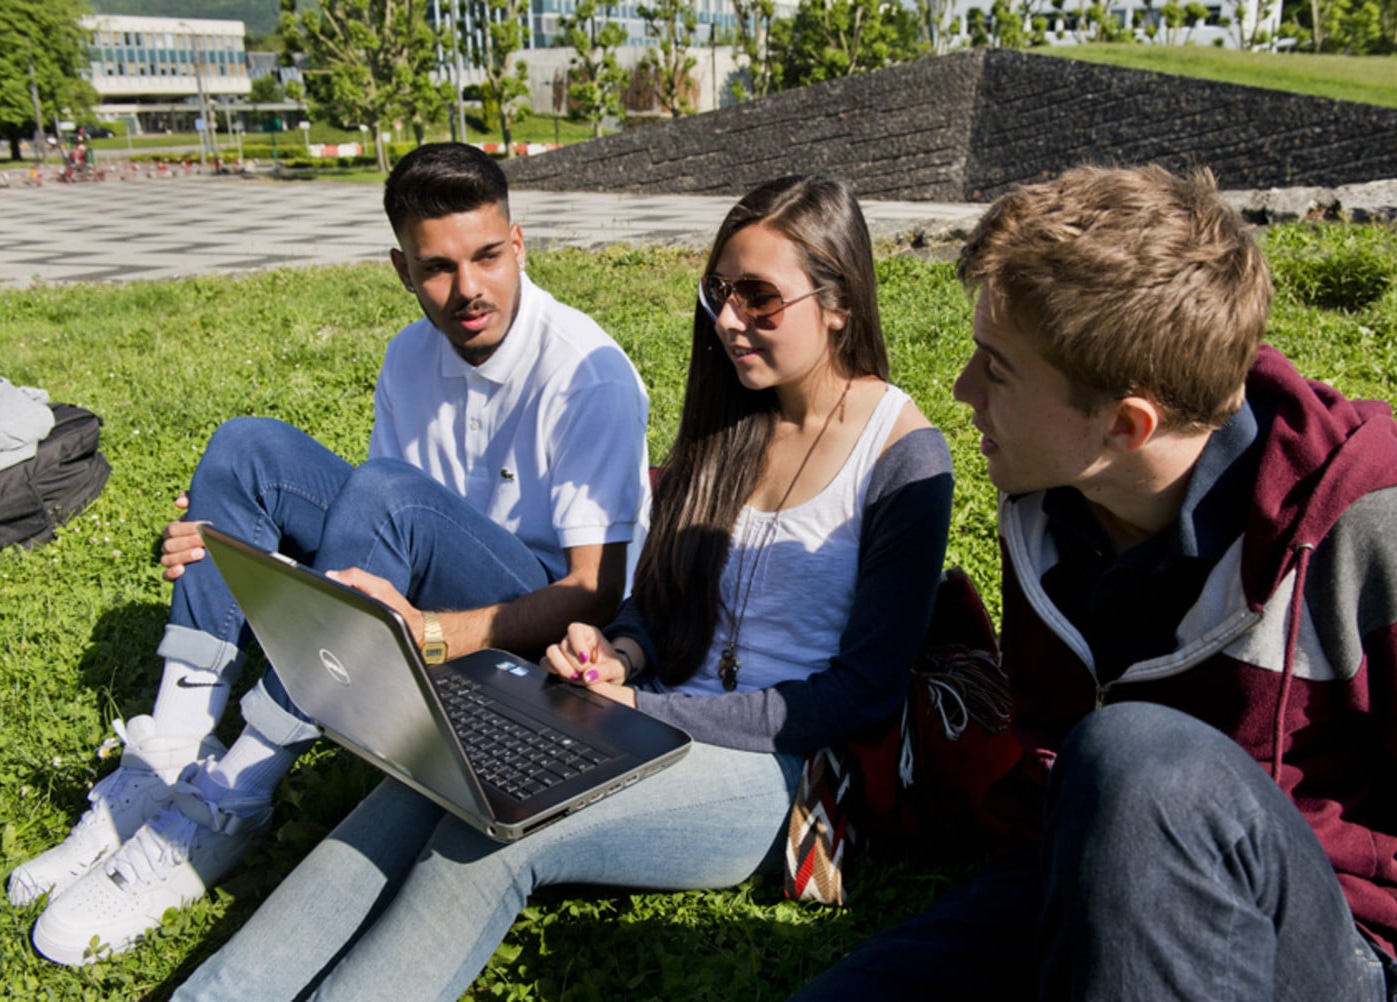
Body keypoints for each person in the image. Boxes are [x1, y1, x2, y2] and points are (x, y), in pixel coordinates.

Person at [171, 173, 955, 1001]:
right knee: (431, 778)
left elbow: (861, 696)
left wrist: (646, 713)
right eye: (718, 290)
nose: (727, 318)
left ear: (837, 299)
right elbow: (661, 600)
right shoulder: (730, 419)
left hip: (774, 770)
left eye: (760, 297)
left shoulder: (904, 458)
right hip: (649, 711)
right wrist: (620, 650)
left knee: (504, 834)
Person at [792, 164, 1397, 1000]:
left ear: (1126, 426)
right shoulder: (1050, 504)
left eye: (997, 369)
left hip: (1291, 943)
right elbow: (1050, 749)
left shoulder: (1375, 521)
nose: (962, 392)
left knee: (1134, 754)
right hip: (1070, 891)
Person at [11, 142, 651, 967]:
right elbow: (373, 535)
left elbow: (596, 593)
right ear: (400, 269)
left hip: (532, 634)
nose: (468, 291)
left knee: (387, 489)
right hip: (415, 582)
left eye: (488, 257)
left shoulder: (584, 373)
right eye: (437, 268)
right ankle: (164, 759)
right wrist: (244, 543)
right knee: (247, 452)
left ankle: (232, 797)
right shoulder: (406, 357)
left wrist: (421, 636)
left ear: (519, 243)